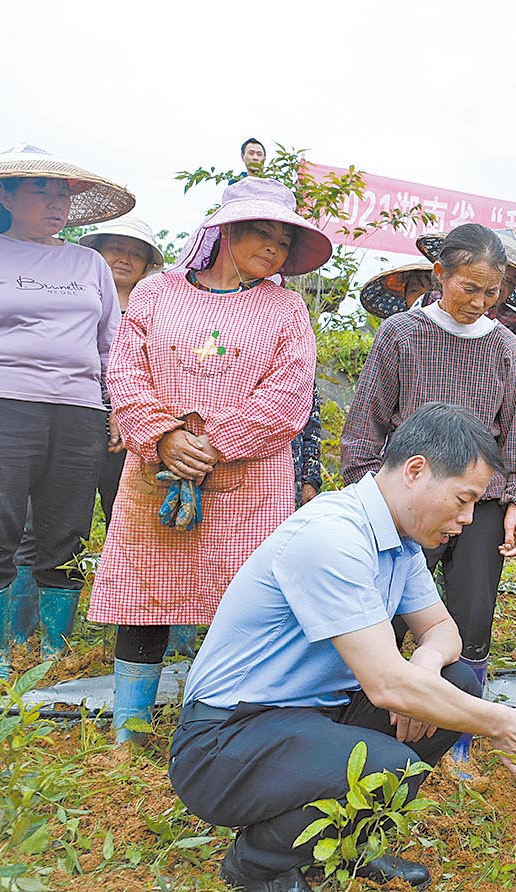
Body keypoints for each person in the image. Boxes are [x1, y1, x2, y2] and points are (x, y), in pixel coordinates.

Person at [169, 404, 516, 892]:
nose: (466, 519)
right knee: (387, 763)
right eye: (463, 499)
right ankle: (259, 864)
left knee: (451, 679)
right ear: (416, 470)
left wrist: (425, 662)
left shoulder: (401, 540)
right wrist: (501, 721)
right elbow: (387, 686)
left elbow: (444, 631)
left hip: (309, 719)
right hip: (225, 740)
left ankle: (345, 844)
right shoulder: (334, 535)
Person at [87, 177, 329, 741]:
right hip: (158, 470)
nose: (274, 248)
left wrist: (213, 445)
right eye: (261, 233)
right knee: (145, 589)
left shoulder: (287, 308)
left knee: (242, 596)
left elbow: (289, 396)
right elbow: (124, 371)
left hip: (248, 478)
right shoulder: (155, 293)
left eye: (284, 241)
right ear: (224, 231)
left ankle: (214, 722)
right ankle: (131, 726)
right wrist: (164, 436)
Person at [340, 224, 516, 767]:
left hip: (483, 500)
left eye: (491, 292)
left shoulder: (504, 347)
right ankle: (374, 724)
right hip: (411, 500)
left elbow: (514, 429)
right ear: (440, 275)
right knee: (390, 613)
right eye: (468, 288)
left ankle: (457, 741)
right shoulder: (401, 334)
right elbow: (367, 423)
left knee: (471, 618)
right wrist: (369, 497)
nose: (480, 302)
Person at [0, 145, 134, 679]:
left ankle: (54, 649)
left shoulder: (88, 262)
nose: (56, 203)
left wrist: (117, 406)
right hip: (0, 405)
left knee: (67, 528)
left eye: (62, 193)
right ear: (2, 194)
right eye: (41, 190)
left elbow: (112, 344)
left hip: (78, 410)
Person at [4, 217, 166, 649]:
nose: (123, 258)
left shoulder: (157, 308)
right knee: (41, 526)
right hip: (68, 422)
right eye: (114, 248)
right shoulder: (70, 297)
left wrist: (124, 416)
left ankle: (141, 629)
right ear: (94, 252)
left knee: (133, 524)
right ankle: (24, 635)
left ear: (149, 262)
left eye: (134, 251)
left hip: (131, 432)